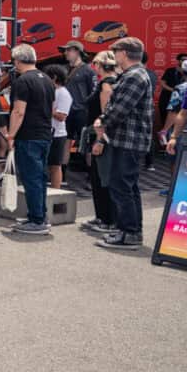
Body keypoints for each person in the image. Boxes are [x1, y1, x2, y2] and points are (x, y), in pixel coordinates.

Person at [94, 37, 153, 250]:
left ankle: (129, 233)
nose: (114, 55)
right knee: (128, 186)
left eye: (116, 51)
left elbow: (120, 108)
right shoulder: (133, 75)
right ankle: (129, 230)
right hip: (129, 140)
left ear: (125, 53)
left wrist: (102, 122)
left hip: (129, 141)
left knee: (121, 186)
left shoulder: (134, 76)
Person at [5, 44, 56, 235]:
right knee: (40, 177)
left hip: (28, 136)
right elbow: (50, 108)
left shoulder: (22, 81)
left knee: (31, 178)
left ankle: (37, 220)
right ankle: (39, 215)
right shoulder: (48, 80)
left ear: (17, 60)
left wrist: (11, 135)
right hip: (44, 133)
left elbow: (19, 111)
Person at [81, 50, 119, 234]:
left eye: (95, 64)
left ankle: (106, 219)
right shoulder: (110, 82)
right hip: (99, 134)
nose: (93, 67)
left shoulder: (106, 85)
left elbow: (106, 115)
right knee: (98, 176)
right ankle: (102, 216)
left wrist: (99, 140)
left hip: (101, 136)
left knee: (101, 177)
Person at [58, 40, 96, 147]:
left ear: (77, 51)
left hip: (81, 111)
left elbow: (93, 91)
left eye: (68, 50)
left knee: (86, 141)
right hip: (65, 112)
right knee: (65, 139)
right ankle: (64, 164)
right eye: (65, 50)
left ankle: (89, 164)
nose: (65, 53)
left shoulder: (88, 70)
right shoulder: (63, 69)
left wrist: (87, 108)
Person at [44, 65, 72, 190]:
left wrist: (49, 110)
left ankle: (56, 190)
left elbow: (62, 116)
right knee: (48, 164)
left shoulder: (63, 93)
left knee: (55, 165)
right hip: (47, 131)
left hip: (57, 134)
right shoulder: (52, 91)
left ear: (54, 77)